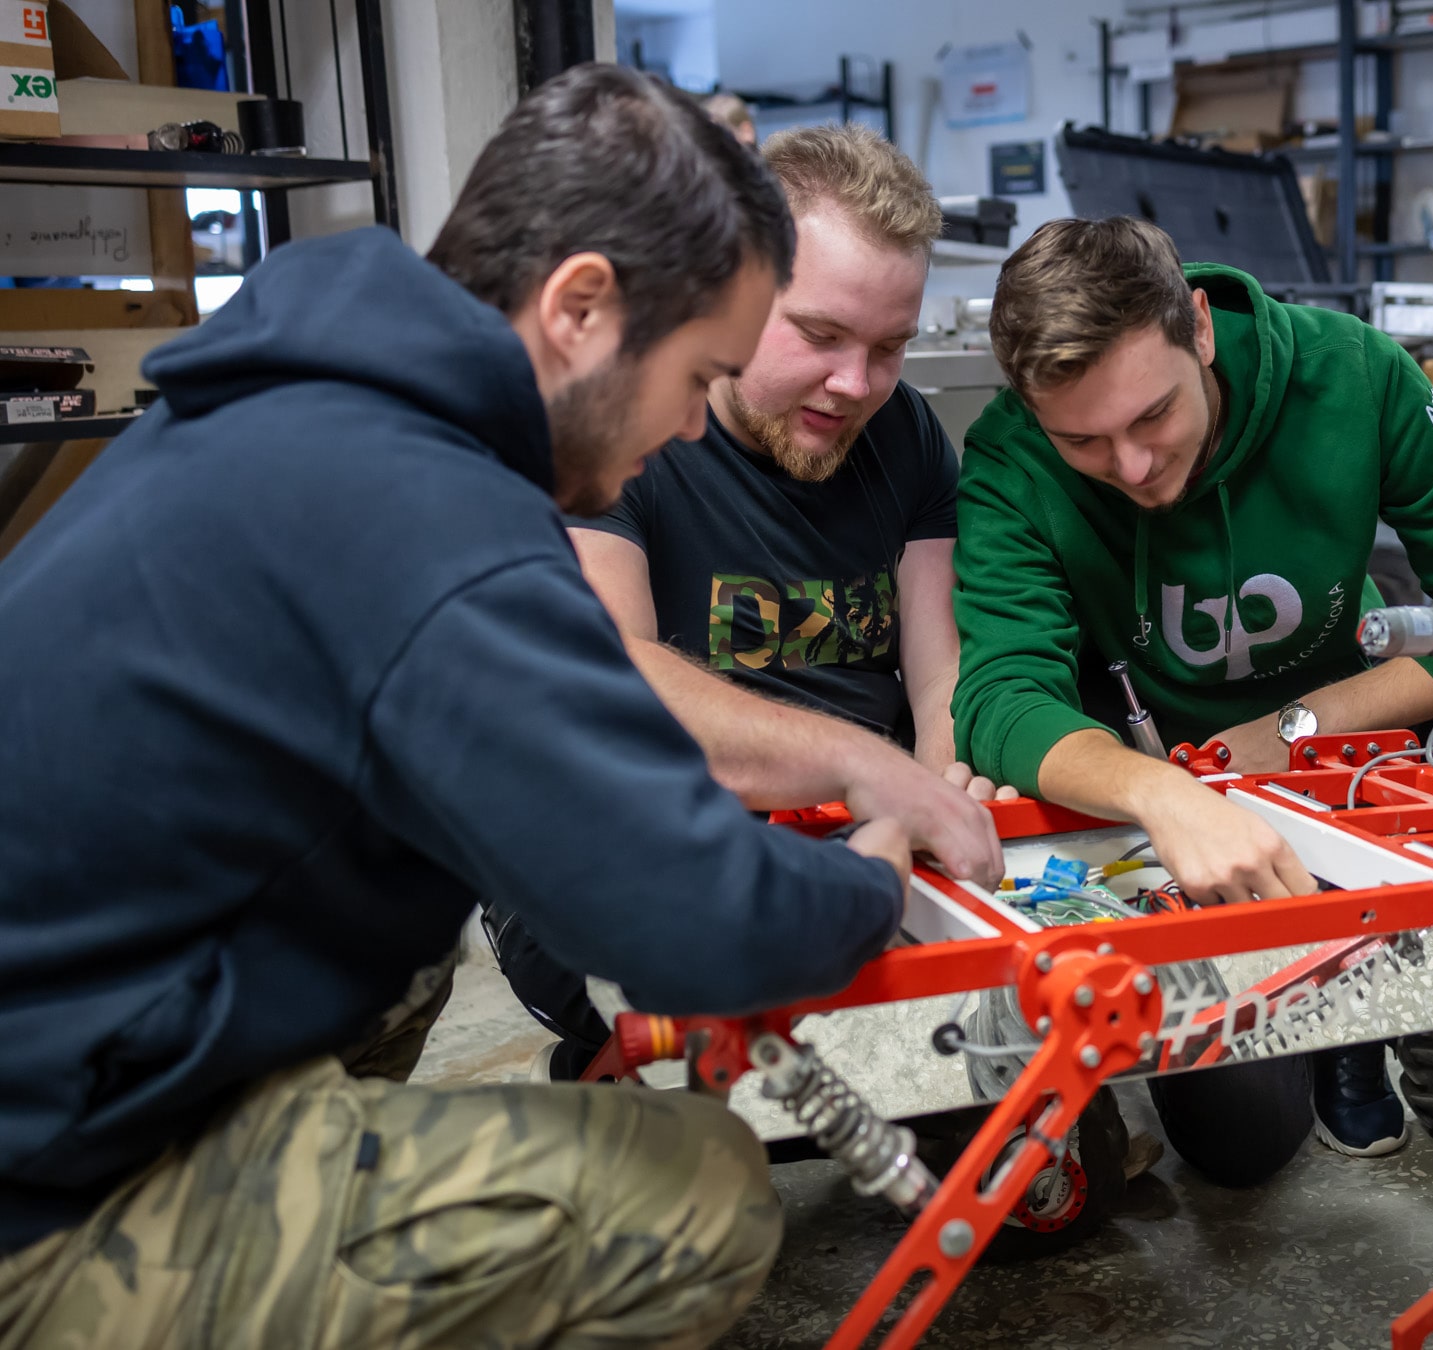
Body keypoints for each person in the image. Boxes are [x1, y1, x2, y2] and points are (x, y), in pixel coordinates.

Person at [0, 66, 908, 1349]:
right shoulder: (424, 516)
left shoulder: (300, 397)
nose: (698, 430)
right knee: (696, 1193)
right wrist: (875, 886)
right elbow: (693, 926)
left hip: (68, 1046)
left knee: (410, 921)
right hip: (41, 1201)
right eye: (700, 375)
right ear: (581, 306)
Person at [951, 216, 1433, 1171]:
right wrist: (1166, 794)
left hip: (1343, 767)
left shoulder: (1355, 376)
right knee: (1239, 1147)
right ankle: (1304, 1020)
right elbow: (997, 700)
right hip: (1161, 810)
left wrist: (1301, 725)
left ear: (1200, 326)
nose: (1134, 469)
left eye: (1153, 417)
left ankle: (1353, 1030)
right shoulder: (1007, 461)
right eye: (1085, 442)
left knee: (1425, 964)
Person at [495, 121, 1012, 1083]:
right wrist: (866, 769)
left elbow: (938, 666)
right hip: (641, 834)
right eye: (819, 335)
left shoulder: (906, 435)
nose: (854, 385)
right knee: (764, 1091)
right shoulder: (628, 416)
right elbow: (618, 690)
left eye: (889, 347)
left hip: (854, 835)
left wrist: (938, 794)